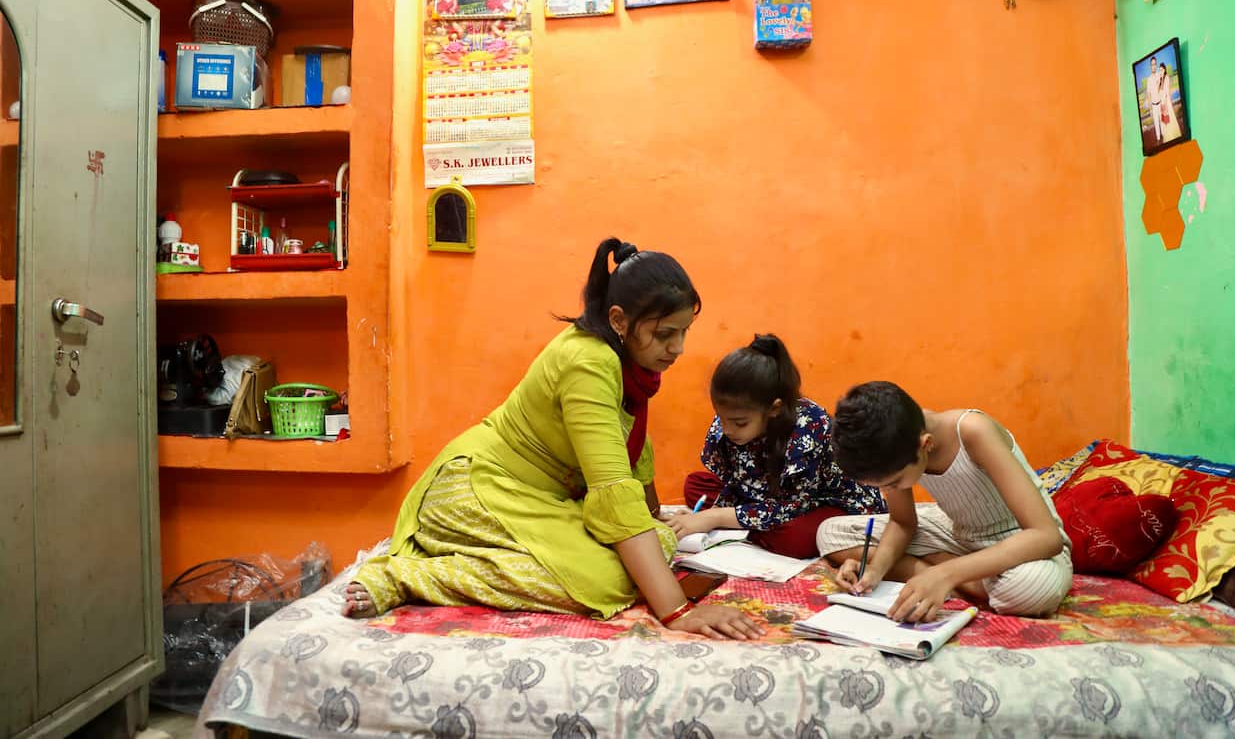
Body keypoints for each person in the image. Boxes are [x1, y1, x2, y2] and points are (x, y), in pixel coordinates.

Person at [343, 238, 762, 641]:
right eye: (665, 334)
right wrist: (677, 612)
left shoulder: (623, 362)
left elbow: (628, 447)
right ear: (619, 321)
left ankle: (474, 559)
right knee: (608, 580)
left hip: (539, 497)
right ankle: (406, 576)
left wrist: (654, 522)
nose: (678, 348)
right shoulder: (589, 362)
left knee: (660, 541)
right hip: (473, 490)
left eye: (683, 332)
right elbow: (613, 487)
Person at [816, 381, 1071, 621]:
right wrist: (875, 570)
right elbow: (903, 522)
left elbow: (1046, 537)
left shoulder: (973, 431)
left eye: (893, 484)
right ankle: (951, 575)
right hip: (958, 532)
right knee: (830, 533)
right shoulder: (892, 442)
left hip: (1022, 542)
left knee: (1029, 590)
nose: (888, 491)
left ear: (925, 445)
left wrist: (944, 573)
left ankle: (937, 571)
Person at [670, 335, 886, 558]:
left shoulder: (810, 425)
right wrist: (712, 511)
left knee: (794, 539)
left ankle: (743, 525)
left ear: (774, 409)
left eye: (739, 423)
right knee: (696, 484)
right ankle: (747, 523)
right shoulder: (732, 423)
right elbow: (734, 482)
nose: (727, 430)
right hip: (767, 495)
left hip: (821, 501)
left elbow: (793, 506)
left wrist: (711, 518)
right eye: (721, 418)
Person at [1158, 62, 1184, 142]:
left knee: (1170, 118)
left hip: (1166, 102)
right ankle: (1167, 136)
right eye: (1160, 70)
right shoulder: (1161, 80)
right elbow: (1159, 91)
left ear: (1164, 69)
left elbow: (1167, 92)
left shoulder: (1167, 78)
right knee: (1164, 120)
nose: (1161, 71)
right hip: (1162, 102)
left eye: (1162, 70)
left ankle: (1173, 135)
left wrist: (1165, 103)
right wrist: (1160, 80)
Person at [1145, 56, 1164, 143]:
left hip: (1160, 103)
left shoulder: (1159, 75)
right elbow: (1148, 94)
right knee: (1156, 125)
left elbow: (1161, 88)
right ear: (1150, 66)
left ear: (1156, 65)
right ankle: (1158, 139)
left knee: (1162, 123)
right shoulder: (1148, 79)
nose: (1153, 66)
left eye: (1155, 64)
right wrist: (1150, 109)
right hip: (1154, 105)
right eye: (1152, 64)